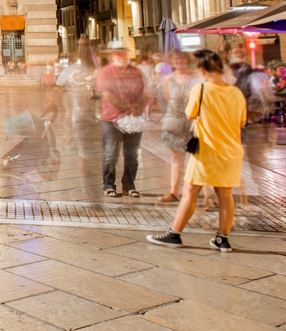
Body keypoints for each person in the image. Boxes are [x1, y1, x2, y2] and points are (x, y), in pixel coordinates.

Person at [148, 49, 247, 252]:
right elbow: (242, 121)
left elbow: (190, 114)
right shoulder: (236, 92)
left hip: (207, 150)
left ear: (202, 70)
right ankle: (223, 239)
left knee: (190, 191)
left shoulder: (201, 89)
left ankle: (174, 234)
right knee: (225, 194)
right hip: (232, 151)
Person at [97, 41, 147, 198]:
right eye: (118, 53)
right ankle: (108, 184)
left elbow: (146, 93)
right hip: (112, 118)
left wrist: (138, 107)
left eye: (123, 53)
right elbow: (106, 94)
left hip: (133, 118)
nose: (121, 56)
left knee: (132, 154)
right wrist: (127, 106)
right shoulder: (106, 72)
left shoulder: (137, 72)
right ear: (112, 56)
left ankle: (129, 185)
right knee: (111, 154)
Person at [44, 36, 98, 176]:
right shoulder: (95, 70)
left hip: (86, 117)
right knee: (86, 151)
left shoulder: (74, 71)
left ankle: (88, 179)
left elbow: (57, 90)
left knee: (86, 151)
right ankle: (88, 179)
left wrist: (52, 103)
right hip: (85, 117)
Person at [157, 52, 202, 203]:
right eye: (176, 59)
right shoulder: (168, 79)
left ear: (188, 60)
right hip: (175, 120)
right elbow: (168, 97)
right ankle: (174, 192)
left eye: (182, 58)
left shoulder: (195, 77)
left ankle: (205, 194)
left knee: (199, 156)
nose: (179, 61)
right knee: (176, 157)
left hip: (193, 119)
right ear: (172, 62)